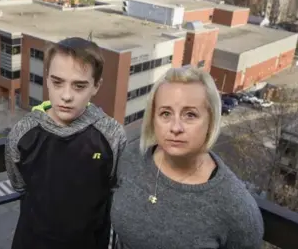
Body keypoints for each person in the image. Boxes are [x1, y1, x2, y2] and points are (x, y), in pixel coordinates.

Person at [111, 65, 264, 249]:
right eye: (165, 113)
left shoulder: (236, 207)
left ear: (211, 120)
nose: (175, 127)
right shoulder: (132, 156)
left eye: (190, 115)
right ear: (153, 118)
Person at [5, 37, 127, 249]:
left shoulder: (111, 135)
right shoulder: (22, 133)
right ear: (46, 80)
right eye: (57, 82)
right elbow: (19, 184)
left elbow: (115, 188)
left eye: (79, 86)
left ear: (96, 86)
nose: (66, 95)